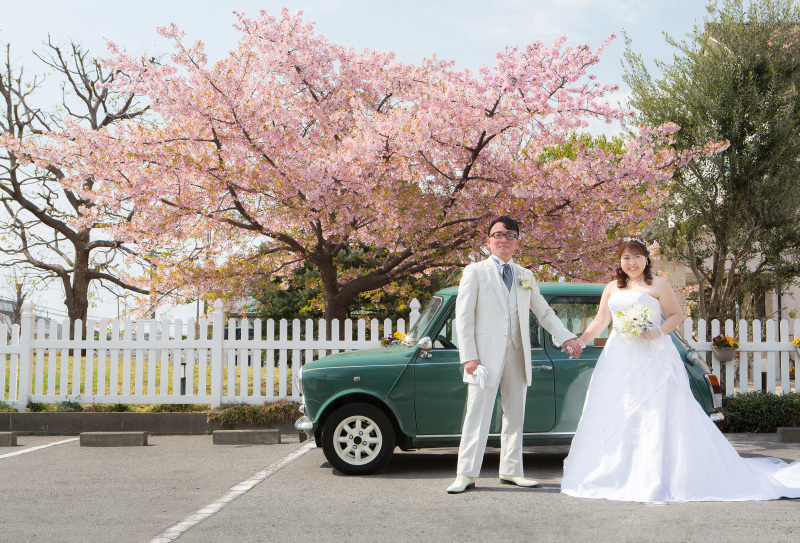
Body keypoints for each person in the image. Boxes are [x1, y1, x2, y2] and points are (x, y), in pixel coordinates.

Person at [560, 238, 800, 502]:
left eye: (637, 257)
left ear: (646, 260)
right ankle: (615, 472)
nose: (632, 263)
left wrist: (656, 332)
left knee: (657, 409)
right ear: (620, 261)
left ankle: (662, 475)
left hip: (652, 357)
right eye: (626, 258)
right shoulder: (611, 288)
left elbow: (676, 316)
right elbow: (601, 320)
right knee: (617, 408)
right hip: (618, 357)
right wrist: (581, 341)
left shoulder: (658, 285)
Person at [447, 216, 584, 494]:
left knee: (515, 414)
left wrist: (567, 336)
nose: (503, 239)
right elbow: (463, 319)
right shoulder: (474, 272)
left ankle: (511, 470)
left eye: (510, 235)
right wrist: (469, 357)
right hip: (483, 357)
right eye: (497, 234)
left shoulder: (525, 275)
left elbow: (543, 311)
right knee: (477, 412)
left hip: (517, 352)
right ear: (488, 241)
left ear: (517, 242)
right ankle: (466, 473)